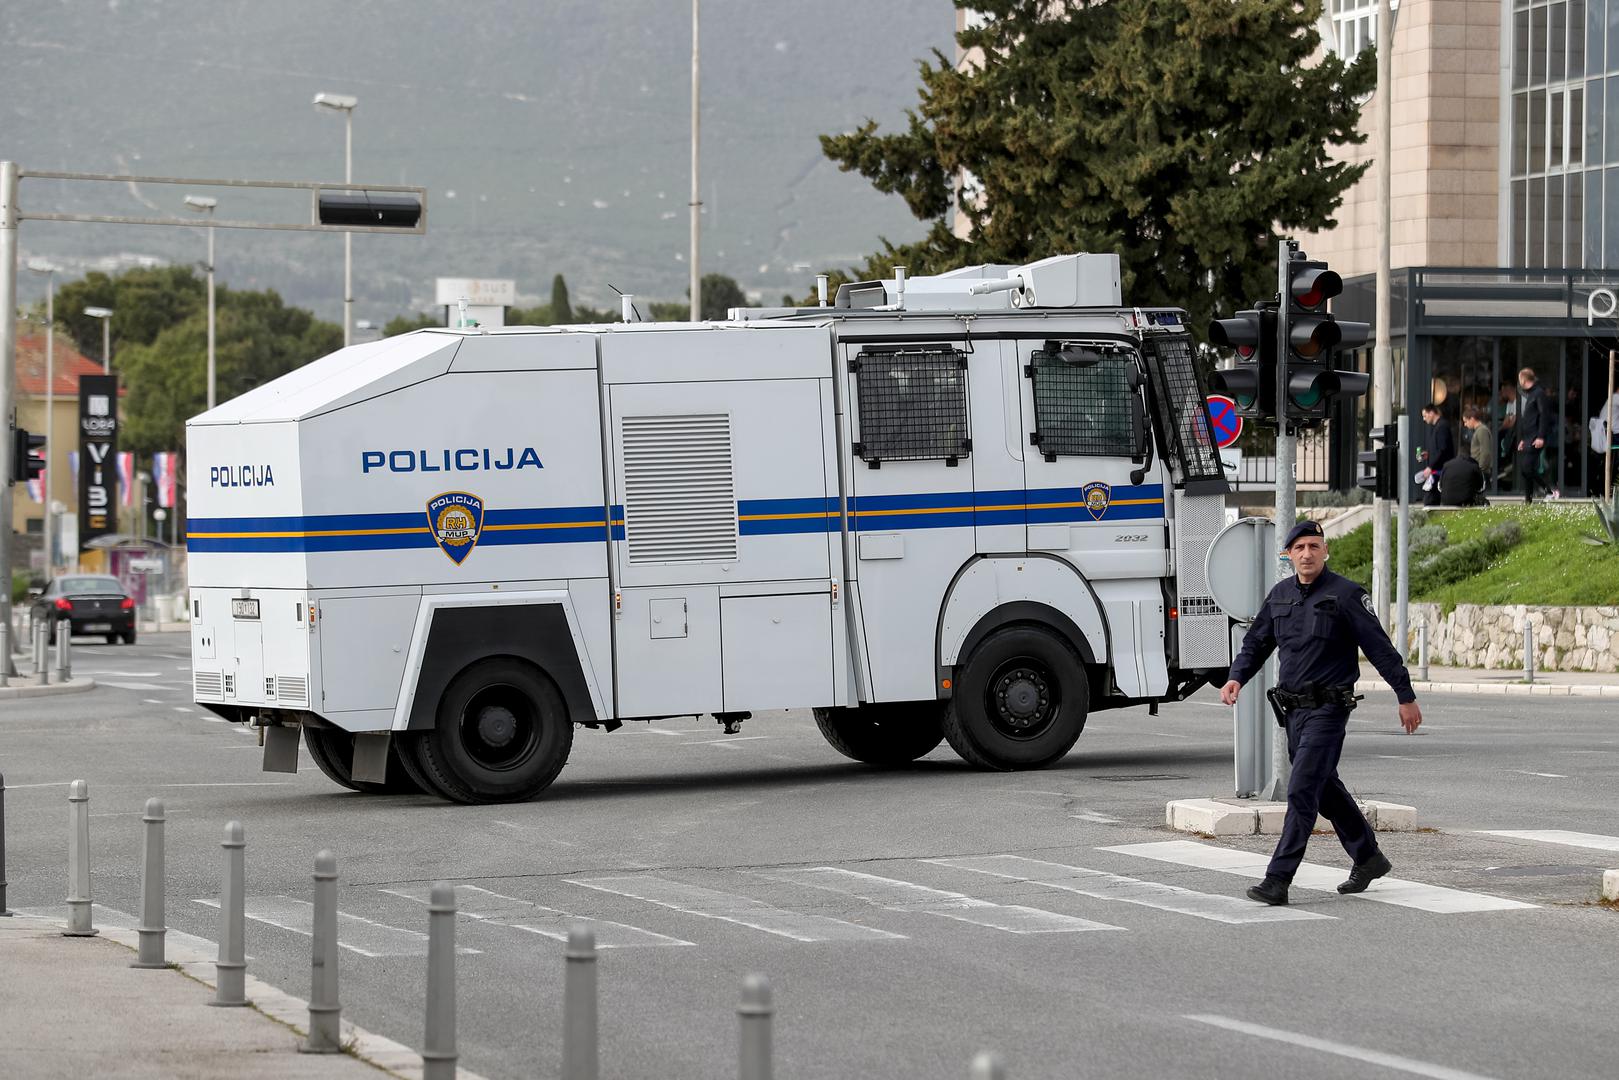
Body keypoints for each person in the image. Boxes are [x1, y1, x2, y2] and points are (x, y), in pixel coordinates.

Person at [1220, 520, 1422, 906]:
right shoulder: (1280, 595)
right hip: (1293, 711)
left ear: (1325, 551)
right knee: (1324, 788)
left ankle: (1277, 880)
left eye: (1314, 546)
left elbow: (1379, 647)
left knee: (1301, 790)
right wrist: (1236, 677)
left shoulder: (1346, 595)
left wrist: (1405, 695)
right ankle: (1368, 856)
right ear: (1289, 555)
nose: (1307, 554)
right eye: (1300, 548)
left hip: (1329, 709)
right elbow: (1257, 642)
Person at [1515, 367, 1555, 502]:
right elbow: (1529, 419)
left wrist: (1540, 437)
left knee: (1527, 467)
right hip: (1529, 438)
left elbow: (1544, 416)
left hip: (1535, 437)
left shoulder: (1539, 394)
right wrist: (1523, 440)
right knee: (1526, 469)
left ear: (1524, 380)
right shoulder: (1532, 394)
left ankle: (1549, 491)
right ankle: (1528, 500)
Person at [1462, 405, 1493, 482]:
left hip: (1481, 471)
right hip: (1478, 469)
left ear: (1472, 419)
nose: (1465, 424)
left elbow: (1485, 452)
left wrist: (1480, 469)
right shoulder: (1479, 430)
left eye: (1466, 421)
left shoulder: (1482, 430)